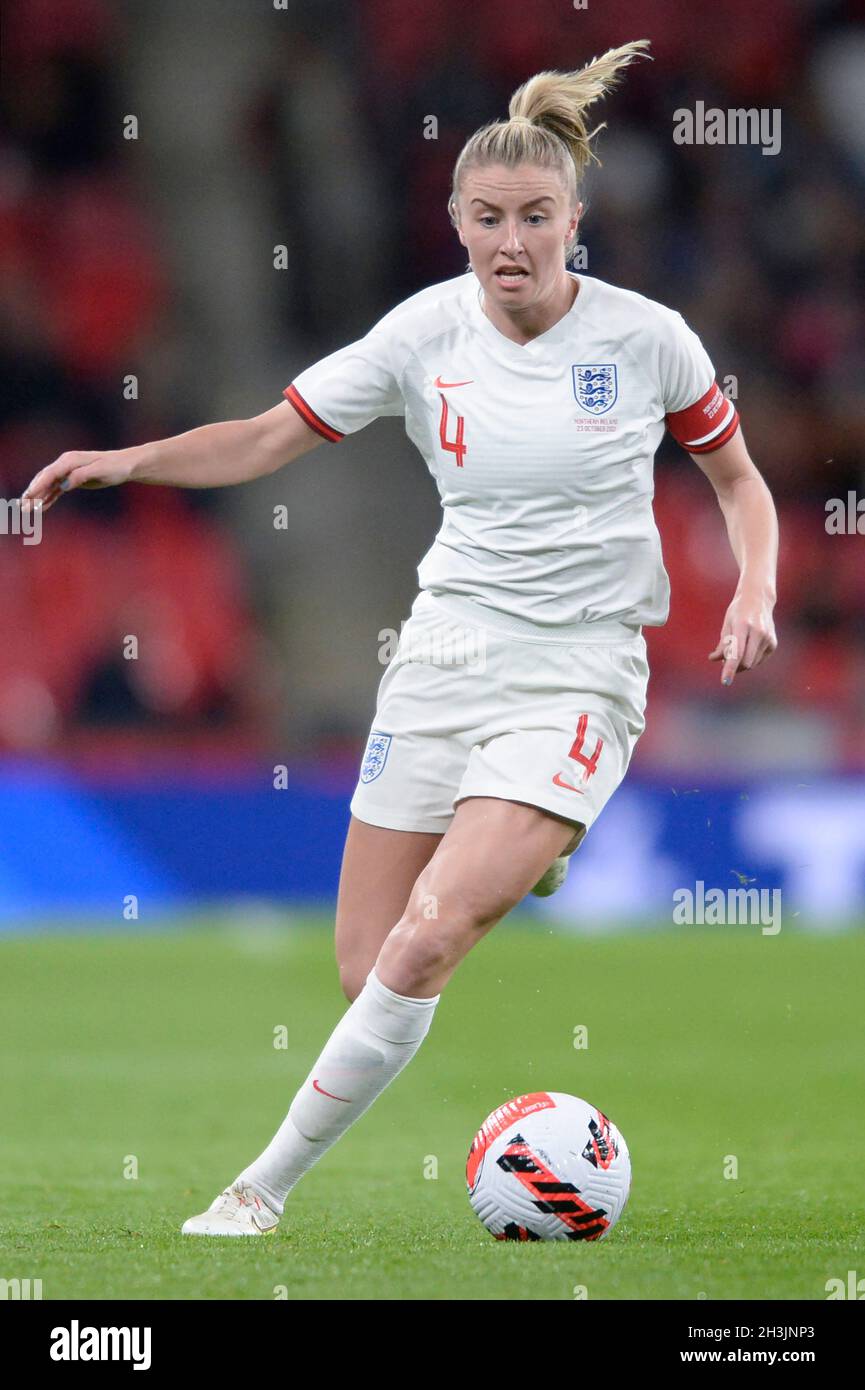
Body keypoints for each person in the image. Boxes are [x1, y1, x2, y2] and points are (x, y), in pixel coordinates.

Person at [21, 39, 778, 1237]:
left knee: (426, 942)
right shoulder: (422, 333)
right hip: (444, 653)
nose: (513, 242)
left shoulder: (647, 339)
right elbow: (271, 436)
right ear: (457, 220)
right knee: (366, 961)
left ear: (573, 217)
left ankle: (256, 1189)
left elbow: (738, 481)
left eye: (536, 216)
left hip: (578, 665)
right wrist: (131, 458)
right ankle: (532, 843)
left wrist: (751, 593)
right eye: (488, 219)